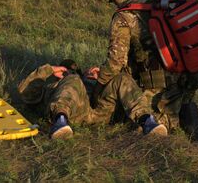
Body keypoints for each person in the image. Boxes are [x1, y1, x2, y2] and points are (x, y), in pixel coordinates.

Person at [95, 0, 198, 132]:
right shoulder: (165, 0)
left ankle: (170, 119)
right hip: (187, 79)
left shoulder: (125, 17)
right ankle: (184, 108)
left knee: (132, 119)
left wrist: (99, 87)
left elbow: (115, 62)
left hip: (158, 89)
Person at [18, 59, 167, 139]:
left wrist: (103, 78)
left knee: (122, 78)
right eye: (66, 70)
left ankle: (147, 120)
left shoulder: (89, 81)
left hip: (100, 112)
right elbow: (25, 93)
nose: (70, 72)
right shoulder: (54, 85)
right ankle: (60, 122)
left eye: (76, 70)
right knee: (73, 80)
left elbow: (124, 88)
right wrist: (49, 70)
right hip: (75, 113)